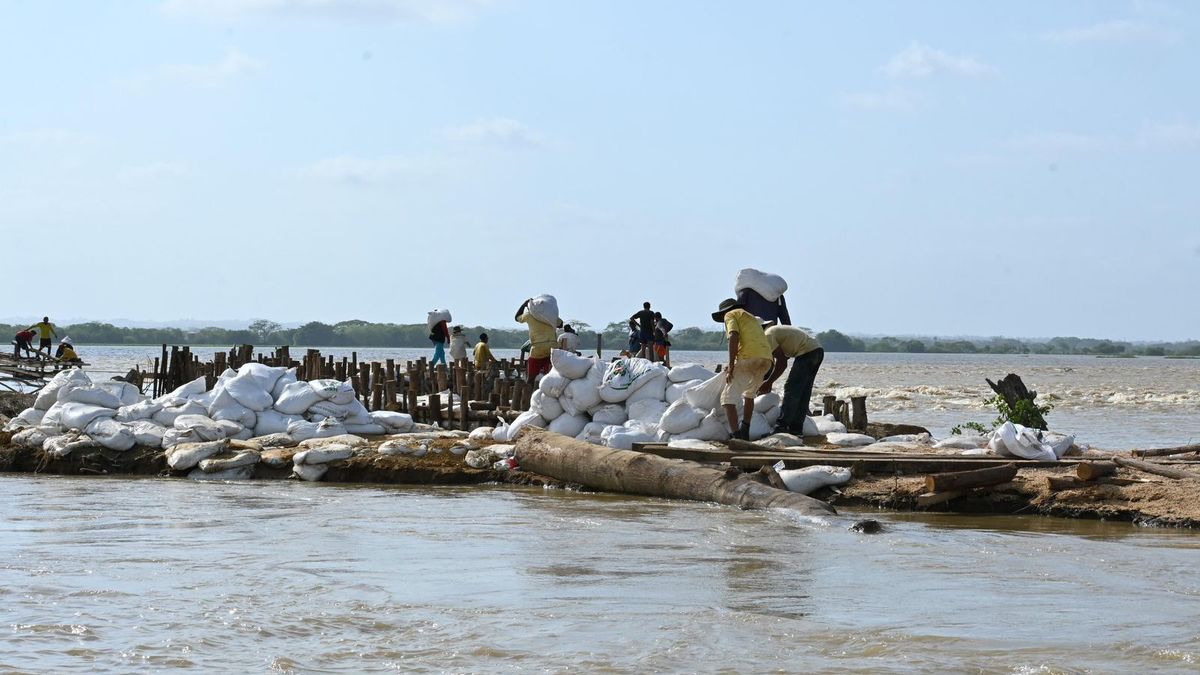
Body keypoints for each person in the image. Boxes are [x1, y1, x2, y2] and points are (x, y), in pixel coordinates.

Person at [712, 297, 774, 440]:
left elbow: (734, 336)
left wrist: (731, 366)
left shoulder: (730, 314)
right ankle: (745, 430)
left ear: (724, 312)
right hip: (766, 359)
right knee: (749, 394)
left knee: (727, 399)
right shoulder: (751, 317)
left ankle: (736, 436)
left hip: (748, 357)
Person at [759, 325, 824, 434]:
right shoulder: (774, 332)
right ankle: (796, 429)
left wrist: (769, 382)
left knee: (791, 389)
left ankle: (781, 426)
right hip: (817, 351)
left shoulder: (767, 335)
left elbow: (782, 363)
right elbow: (779, 358)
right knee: (804, 392)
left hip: (807, 353)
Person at [515, 298, 560, 384]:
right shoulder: (550, 316)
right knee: (551, 375)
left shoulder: (528, 315)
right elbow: (560, 324)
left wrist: (524, 305)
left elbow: (517, 318)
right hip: (552, 348)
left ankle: (529, 389)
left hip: (537, 349)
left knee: (531, 378)